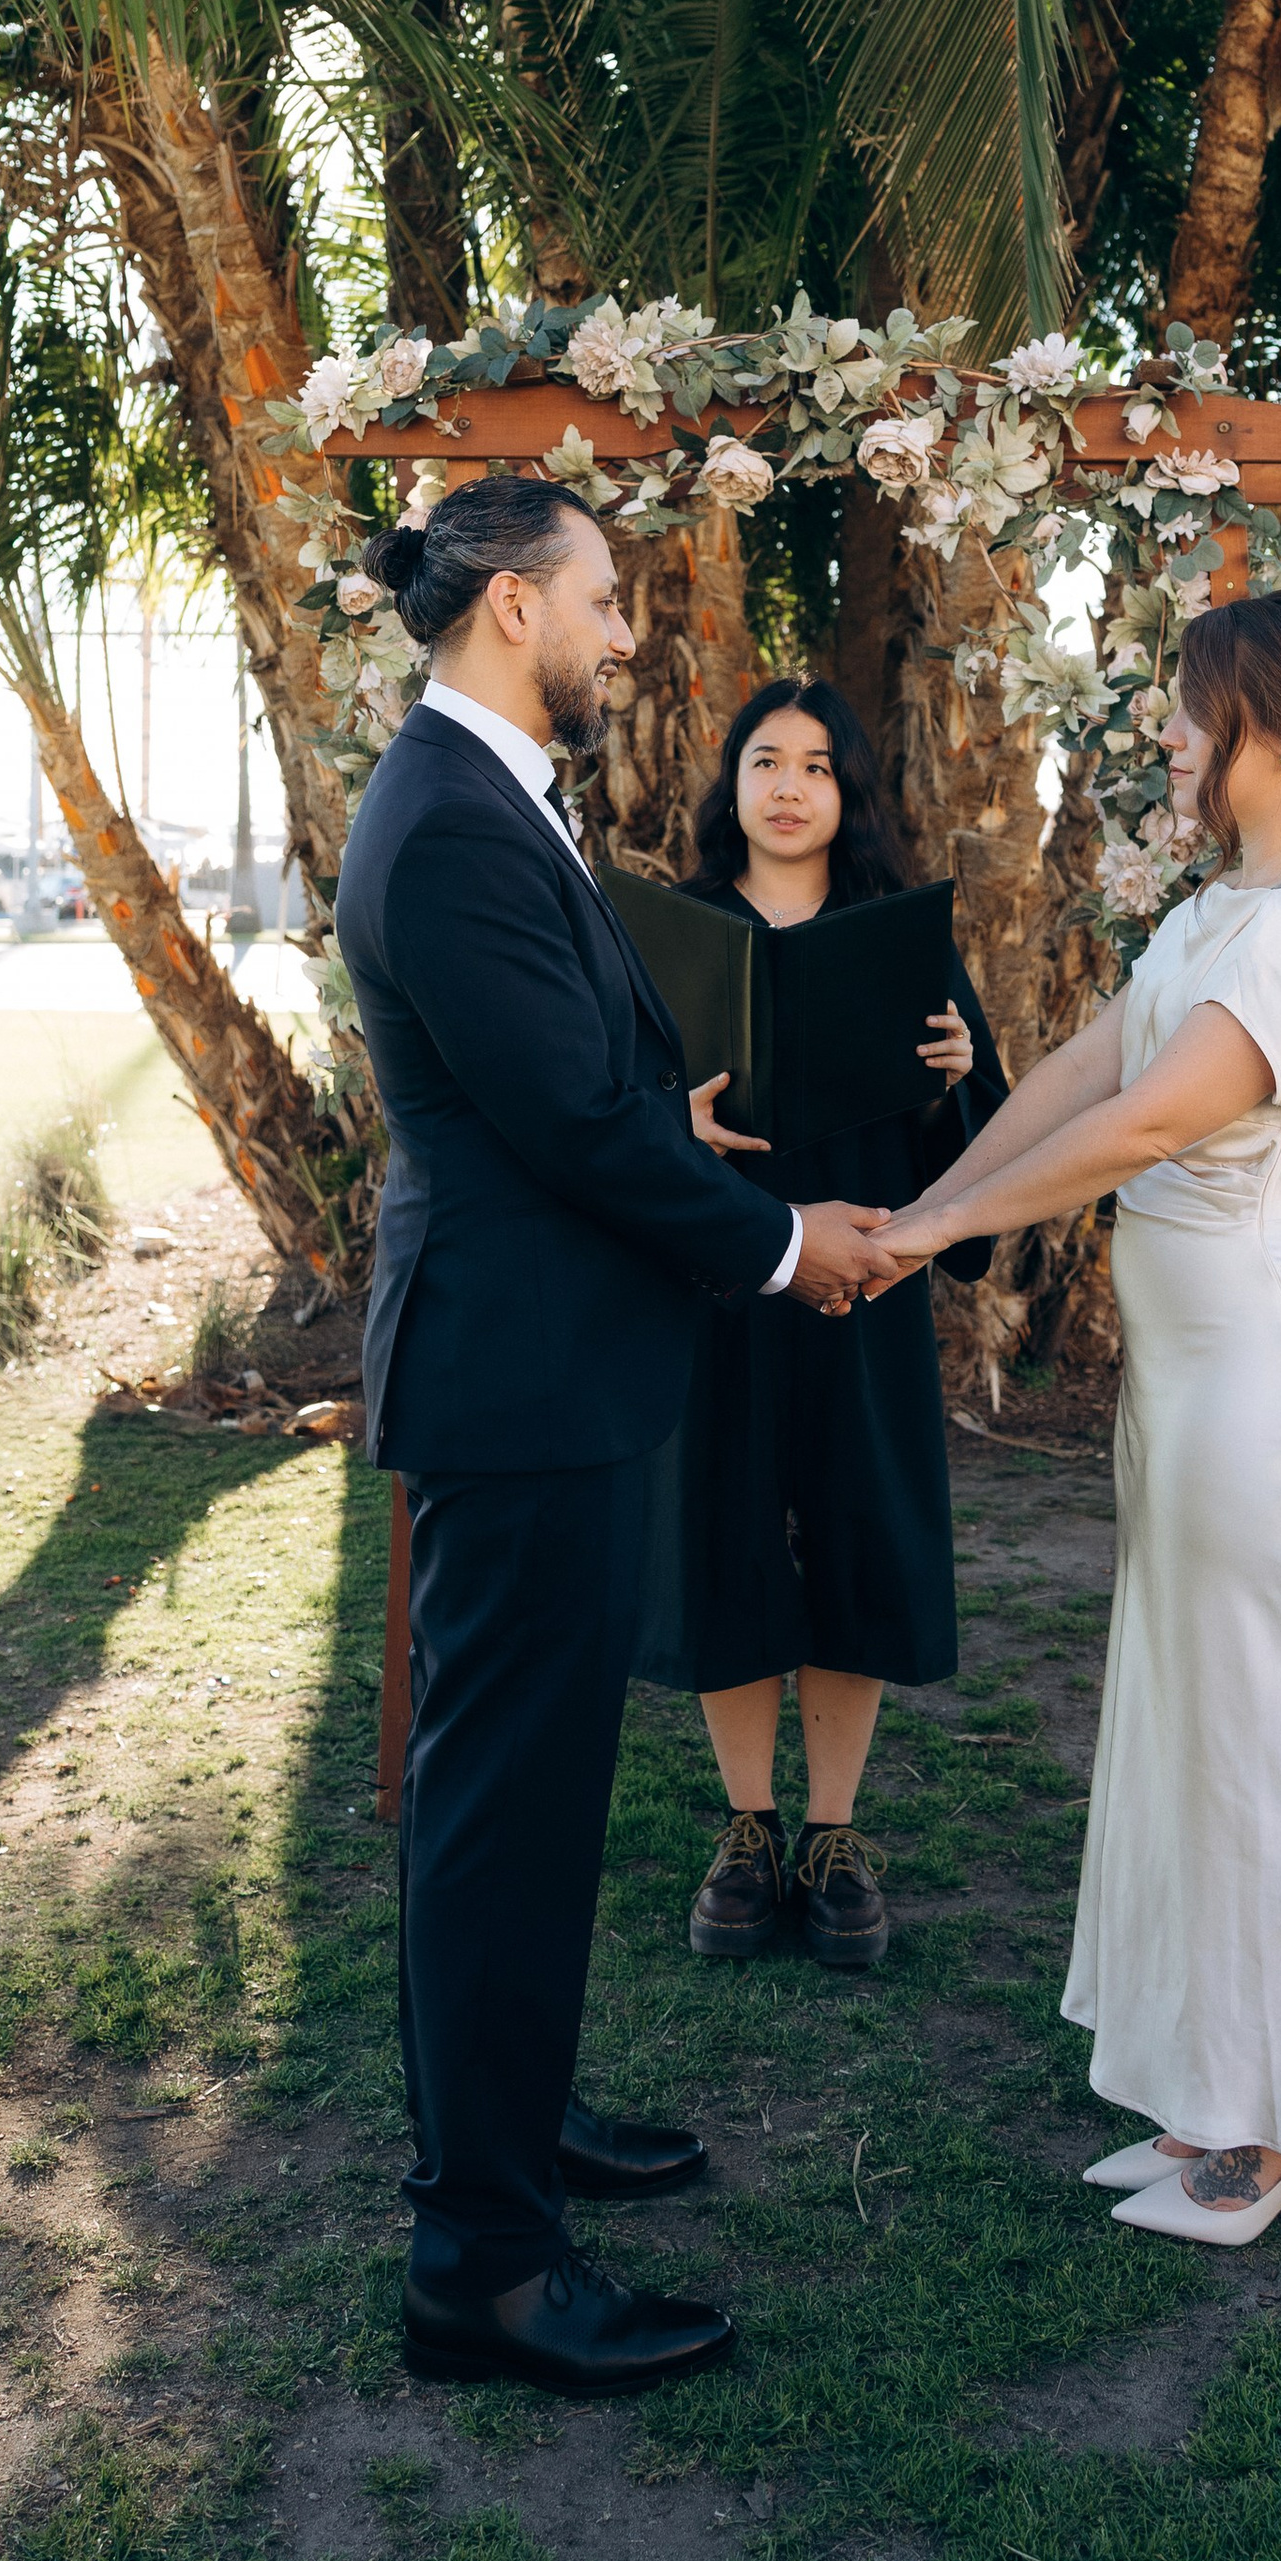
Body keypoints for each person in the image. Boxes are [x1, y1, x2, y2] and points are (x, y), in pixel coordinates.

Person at [862, 595, 1281, 2248]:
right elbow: (1078, 1079)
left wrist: (926, 1242)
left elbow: (1156, 1123)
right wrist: (912, 1212)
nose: (1166, 739)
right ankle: (1224, 2093)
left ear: (1264, 728)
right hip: (1202, 1387)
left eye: (1186, 714)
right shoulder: (1223, 909)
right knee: (1214, 1737)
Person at [332, 481, 890, 2396]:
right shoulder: (450, 821)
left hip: (546, 1361)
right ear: (507, 609)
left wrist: (681, 1125)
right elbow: (566, 1128)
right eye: (603, 599)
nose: (628, 634)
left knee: (529, 1800)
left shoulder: (482, 794)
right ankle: (482, 2263)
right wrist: (780, 1239)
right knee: (498, 1810)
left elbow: (580, 1088)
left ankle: (512, 2129)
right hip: (521, 1379)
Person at [637, 678, 1008, 1971]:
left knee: (856, 1548)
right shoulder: (672, 934)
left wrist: (962, 1081)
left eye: (816, 765)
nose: (788, 785)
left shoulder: (894, 941)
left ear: (849, 795)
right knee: (725, 1546)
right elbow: (613, 1116)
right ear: (730, 784)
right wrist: (665, 1116)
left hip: (864, 1295)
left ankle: (834, 1832)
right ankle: (747, 1827)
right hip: (718, 1299)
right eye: (764, 760)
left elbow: (982, 1152)